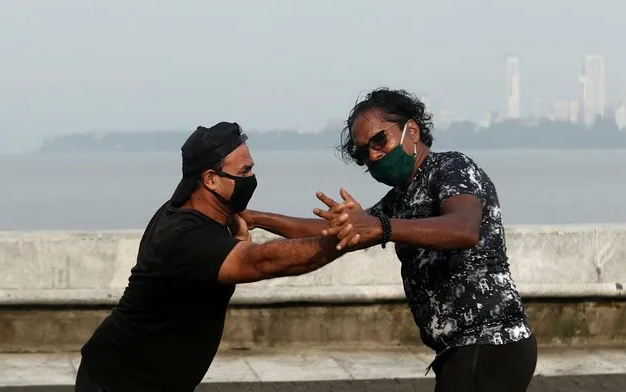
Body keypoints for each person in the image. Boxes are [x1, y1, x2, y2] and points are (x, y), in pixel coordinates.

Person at [240, 88, 538, 392]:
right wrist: (257, 218)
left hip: (491, 341)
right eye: (362, 153)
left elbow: (464, 228)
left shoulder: (451, 169)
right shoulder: (400, 199)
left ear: (412, 130)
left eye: (379, 140)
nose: (373, 155)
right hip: (457, 349)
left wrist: (383, 227)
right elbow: (330, 230)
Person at [75, 122, 349, 392]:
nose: (251, 177)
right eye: (245, 170)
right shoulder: (183, 237)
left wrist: (351, 226)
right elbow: (262, 261)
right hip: (116, 381)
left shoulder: (200, 208)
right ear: (210, 179)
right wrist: (344, 240)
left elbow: (253, 220)